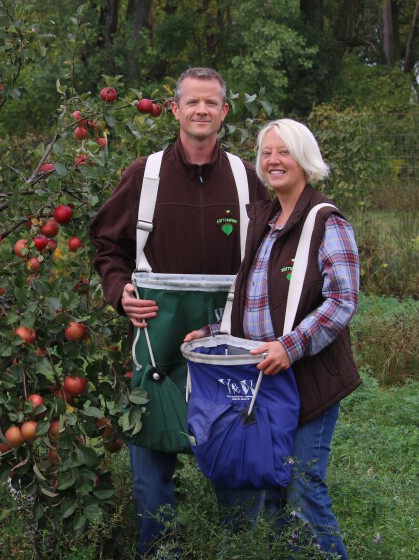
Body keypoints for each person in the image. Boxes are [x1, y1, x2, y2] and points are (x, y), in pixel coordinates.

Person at [87, 67, 268, 557]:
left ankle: (238, 551)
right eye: (192, 103)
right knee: (151, 475)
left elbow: (273, 251)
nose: (202, 111)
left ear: (225, 112)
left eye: (212, 103)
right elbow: (106, 243)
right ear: (175, 110)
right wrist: (119, 289)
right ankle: (157, 552)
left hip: (227, 340)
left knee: (234, 463)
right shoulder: (143, 175)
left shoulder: (246, 178)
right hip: (155, 341)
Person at [185, 118, 361, 559]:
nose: (273, 160)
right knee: (271, 486)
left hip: (308, 378)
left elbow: (342, 298)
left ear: (304, 158)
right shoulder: (262, 220)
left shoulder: (326, 221)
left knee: (303, 483)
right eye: (266, 152)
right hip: (264, 379)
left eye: (284, 151)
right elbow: (249, 299)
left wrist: (291, 346)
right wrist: (211, 334)